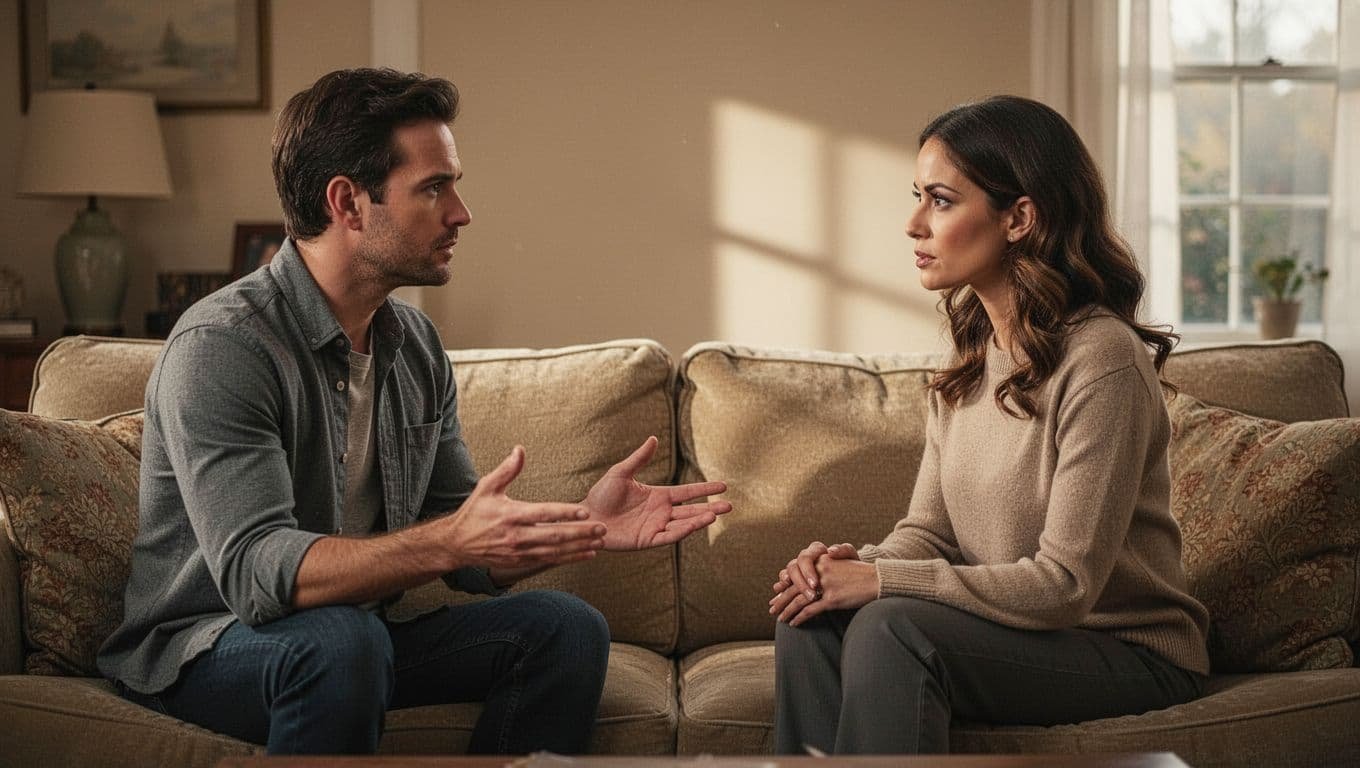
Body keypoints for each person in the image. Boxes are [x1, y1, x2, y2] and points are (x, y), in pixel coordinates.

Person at [96, 68, 732, 756]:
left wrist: (582, 523)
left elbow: (459, 537)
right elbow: (256, 572)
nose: (461, 213)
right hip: (208, 645)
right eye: (434, 188)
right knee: (344, 643)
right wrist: (450, 542)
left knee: (566, 629)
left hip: (356, 636)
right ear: (348, 202)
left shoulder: (414, 345)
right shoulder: (224, 346)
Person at [769, 95, 1209, 755]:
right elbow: (929, 534)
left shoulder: (1103, 361)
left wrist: (880, 582)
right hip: (1021, 635)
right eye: (917, 197)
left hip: (1125, 648)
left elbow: (1065, 585)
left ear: (1019, 218)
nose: (914, 224)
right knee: (808, 617)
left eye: (942, 201)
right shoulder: (973, 355)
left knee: (891, 629)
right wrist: (846, 568)